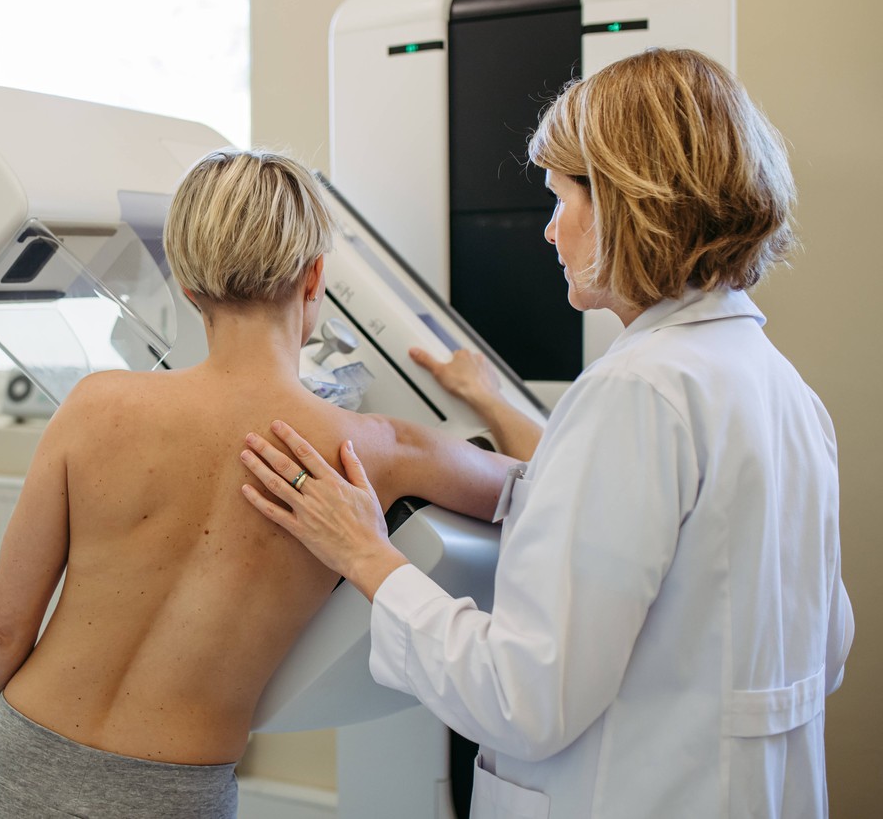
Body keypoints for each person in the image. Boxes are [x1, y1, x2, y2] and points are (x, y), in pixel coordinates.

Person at [240, 48, 853, 818]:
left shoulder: (640, 390)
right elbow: (822, 648)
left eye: (563, 198)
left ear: (631, 200)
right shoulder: (776, 385)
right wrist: (493, 408)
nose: (550, 229)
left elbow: (521, 697)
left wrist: (365, 553)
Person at [0, 148, 516, 818]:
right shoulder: (376, 449)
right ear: (314, 280)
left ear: (188, 287)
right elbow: (550, 490)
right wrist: (489, 400)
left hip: (17, 754)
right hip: (172, 794)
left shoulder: (94, 406)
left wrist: (7, 749)